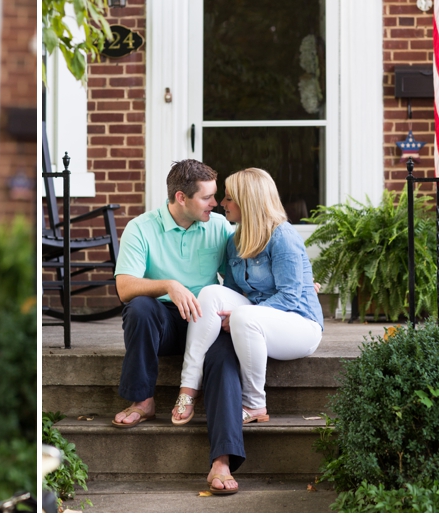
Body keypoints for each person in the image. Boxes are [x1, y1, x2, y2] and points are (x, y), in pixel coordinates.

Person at [111, 159, 245, 495]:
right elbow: (124, 288)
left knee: (225, 360)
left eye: (216, 197)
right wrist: (168, 284)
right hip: (165, 325)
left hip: (207, 322)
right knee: (139, 308)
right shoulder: (141, 228)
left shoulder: (219, 227)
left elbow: (250, 268)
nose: (215, 204)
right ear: (181, 197)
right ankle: (142, 400)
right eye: (207, 198)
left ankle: (222, 461)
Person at [174, 168, 323, 429]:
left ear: (248, 201)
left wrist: (244, 315)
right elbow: (229, 293)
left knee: (244, 315)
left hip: (300, 324)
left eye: (229, 198)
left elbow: (289, 297)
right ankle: (188, 387)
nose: (222, 203)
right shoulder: (235, 241)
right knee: (211, 293)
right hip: (258, 317)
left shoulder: (283, 236)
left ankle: (255, 403)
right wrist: (234, 314)